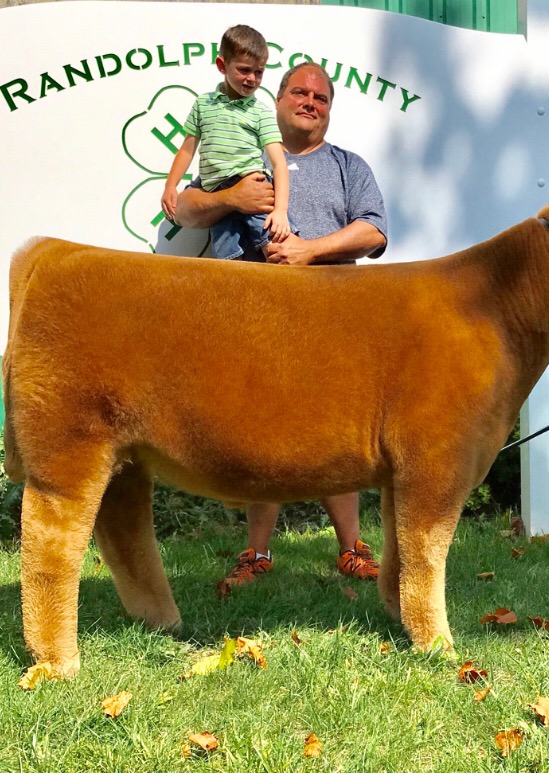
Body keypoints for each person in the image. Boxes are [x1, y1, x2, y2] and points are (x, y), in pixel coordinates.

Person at [174, 62, 388, 586]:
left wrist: (310, 250)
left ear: (329, 110)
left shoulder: (348, 165)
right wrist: (232, 199)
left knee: (338, 435)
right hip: (251, 321)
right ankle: (257, 554)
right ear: (277, 100)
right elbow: (183, 208)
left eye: (320, 97)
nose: (309, 102)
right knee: (264, 433)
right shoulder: (243, 157)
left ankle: (352, 548)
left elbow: (376, 233)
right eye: (299, 92)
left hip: (330, 321)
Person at [160, 25, 291, 260]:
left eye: (259, 72)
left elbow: (279, 164)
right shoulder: (203, 104)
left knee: (274, 245)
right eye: (244, 70)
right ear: (222, 66)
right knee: (225, 256)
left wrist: (280, 210)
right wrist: (171, 185)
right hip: (216, 192)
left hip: (252, 183)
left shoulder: (260, 112)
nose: (252, 79)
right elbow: (187, 149)